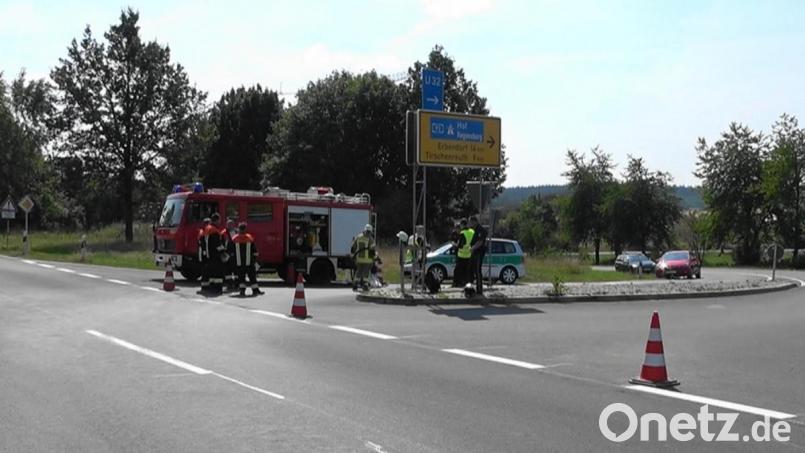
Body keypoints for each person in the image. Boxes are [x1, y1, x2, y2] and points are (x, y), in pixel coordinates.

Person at [232, 222, 264, 297]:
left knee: (241, 277)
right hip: (249, 262)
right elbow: (255, 251)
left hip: (239, 262)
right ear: (245, 229)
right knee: (252, 277)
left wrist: (233, 261)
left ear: (239, 229)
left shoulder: (234, 238)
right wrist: (254, 259)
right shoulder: (249, 238)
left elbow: (231, 251)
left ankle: (242, 291)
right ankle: (255, 290)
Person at [201, 213, 225, 295]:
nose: (220, 222)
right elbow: (217, 244)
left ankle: (212, 287)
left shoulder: (207, 229)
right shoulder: (214, 230)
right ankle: (217, 288)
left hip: (209, 255)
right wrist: (223, 252)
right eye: (219, 220)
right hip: (215, 255)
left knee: (211, 273)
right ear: (216, 220)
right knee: (218, 273)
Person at [351, 224, 376, 291]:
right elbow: (372, 250)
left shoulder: (358, 237)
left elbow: (353, 247)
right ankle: (365, 285)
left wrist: (353, 256)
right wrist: (373, 259)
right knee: (366, 273)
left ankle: (355, 284)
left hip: (359, 259)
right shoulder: (370, 239)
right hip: (367, 260)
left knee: (358, 272)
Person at [469, 216, 488, 296]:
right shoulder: (475, 229)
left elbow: (480, 242)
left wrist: (473, 248)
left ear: (475, 221)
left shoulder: (480, 229)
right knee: (472, 271)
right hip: (475, 253)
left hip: (479, 253)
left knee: (477, 271)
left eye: (471, 222)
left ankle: (479, 290)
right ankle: (473, 289)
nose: (470, 224)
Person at [454, 219, 473, 288]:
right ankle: (467, 284)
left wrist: (455, 245)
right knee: (467, 272)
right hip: (469, 254)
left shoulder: (462, 233)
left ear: (462, 225)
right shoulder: (472, 231)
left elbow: (460, 245)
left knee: (458, 271)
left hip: (461, 255)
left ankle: (457, 284)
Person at [221, 218, 237, 291]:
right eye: (229, 224)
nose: (230, 226)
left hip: (234, 254)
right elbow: (221, 243)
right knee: (227, 270)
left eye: (231, 224)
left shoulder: (235, 232)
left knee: (236, 270)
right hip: (226, 254)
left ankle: (237, 284)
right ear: (226, 225)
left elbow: (236, 243)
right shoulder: (223, 233)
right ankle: (229, 284)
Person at [197, 218, 211, 293]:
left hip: (203, 254)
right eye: (209, 224)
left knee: (206, 271)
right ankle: (204, 287)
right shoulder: (203, 232)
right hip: (203, 254)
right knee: (205, 271)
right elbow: (203, 244)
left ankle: (205, 286)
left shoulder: (202, 231)